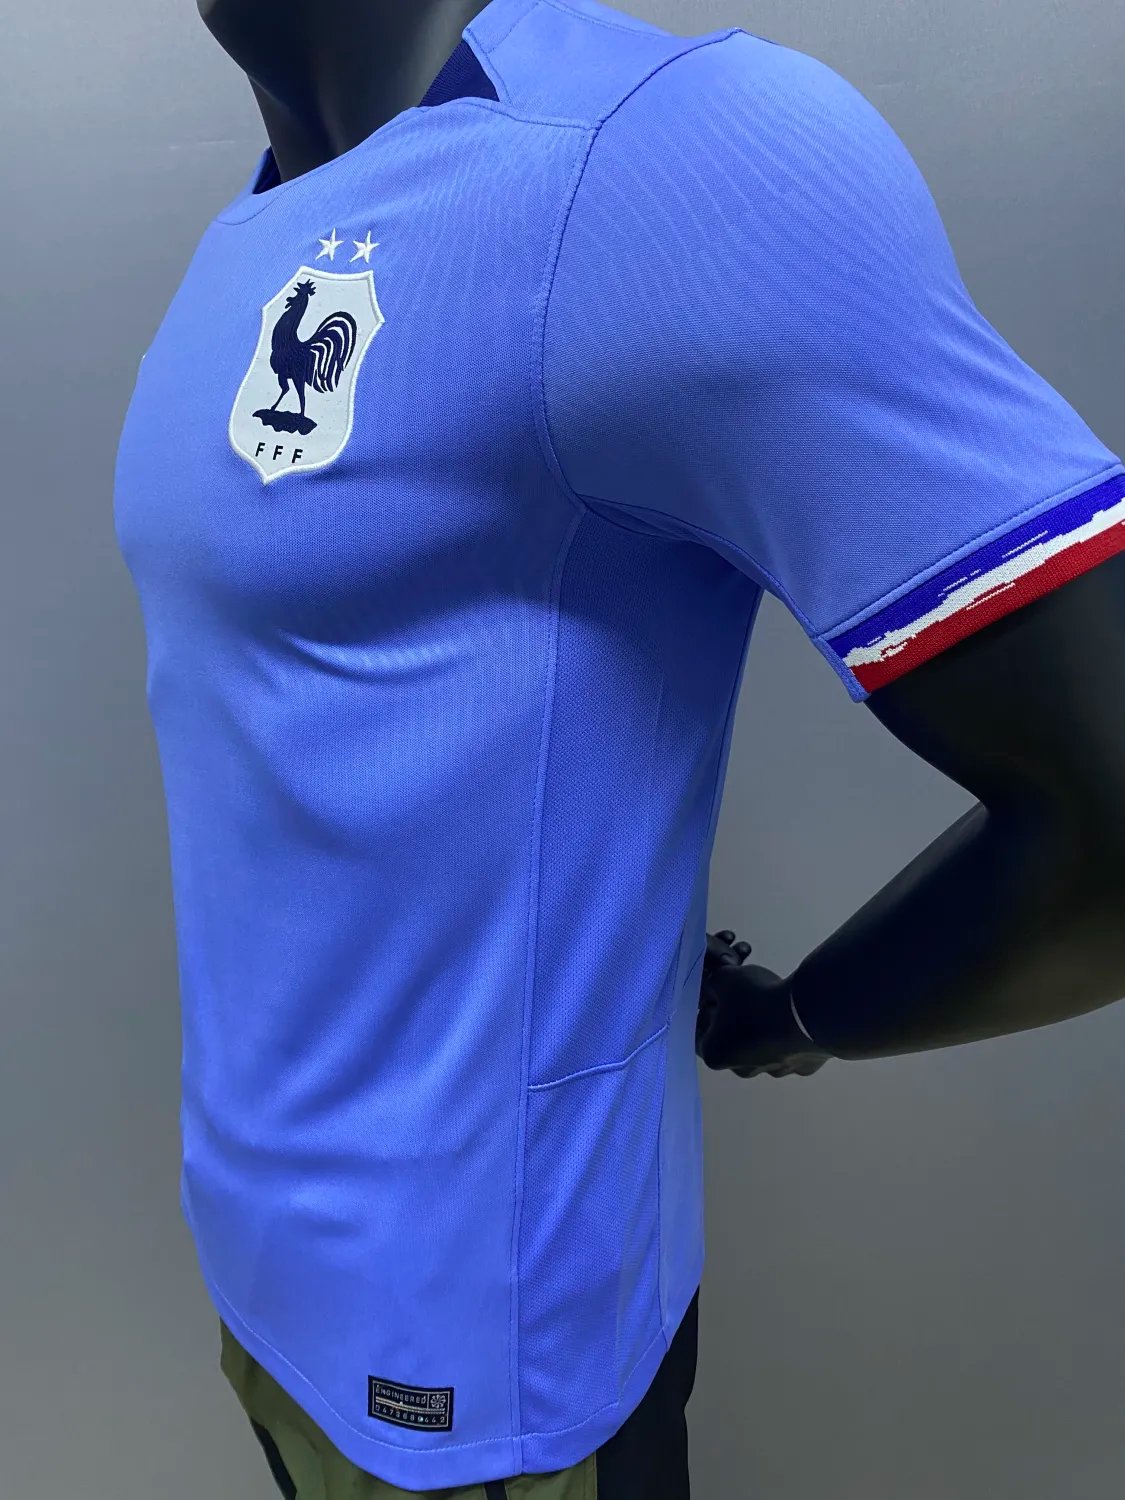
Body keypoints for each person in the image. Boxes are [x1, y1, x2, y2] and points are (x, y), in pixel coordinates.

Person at [112, 0, 1125, 1495]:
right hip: (261, 1277)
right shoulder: (245, 234)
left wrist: (801, 1016)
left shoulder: (662, 160)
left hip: (483, 1371)